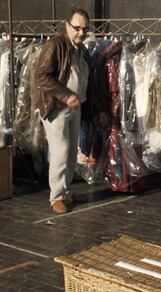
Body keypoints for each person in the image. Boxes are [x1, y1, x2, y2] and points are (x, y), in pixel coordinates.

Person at [36, 8, 92, 214]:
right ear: (67, 25)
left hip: (75, 107)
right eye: (77, 28)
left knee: (70, 154)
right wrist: (66, 96)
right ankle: (56, 197)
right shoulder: (55, 44)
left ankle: (65, 191)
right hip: (56, 108)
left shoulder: (82, 49)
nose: (81, 32)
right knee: (61, 152)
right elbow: (42, 76)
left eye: (85, 29)